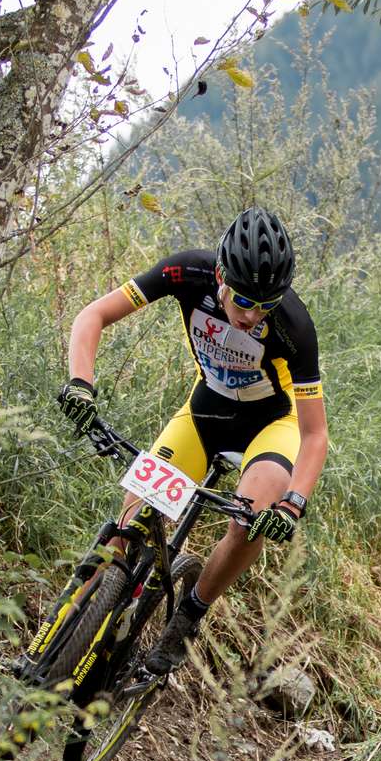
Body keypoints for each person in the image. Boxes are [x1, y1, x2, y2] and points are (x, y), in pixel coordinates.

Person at [55, 207, 326, 674]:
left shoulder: (294, 326)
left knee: (251, 519)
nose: (250, 315)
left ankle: (188, 618)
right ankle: (58, 634)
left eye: (265, 304)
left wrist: (293, 504)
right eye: (242, 300)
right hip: (205, 412)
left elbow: (314, 434)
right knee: (126, 527)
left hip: (269, 425)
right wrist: (81, 381)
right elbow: (94, 314)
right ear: (220, 274)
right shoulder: (186, 271)